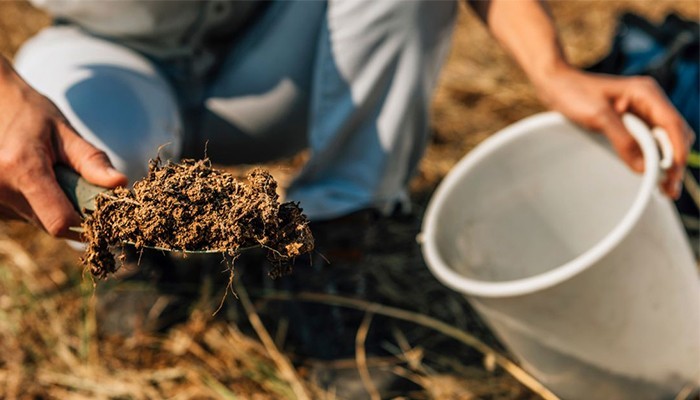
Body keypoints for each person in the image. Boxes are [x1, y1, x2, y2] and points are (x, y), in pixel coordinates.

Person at [0, 0, 694, 390]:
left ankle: (330, 249)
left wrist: (551, 67)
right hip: (109, 61)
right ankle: (130, 250)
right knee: (88, 154)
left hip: (274, 60)